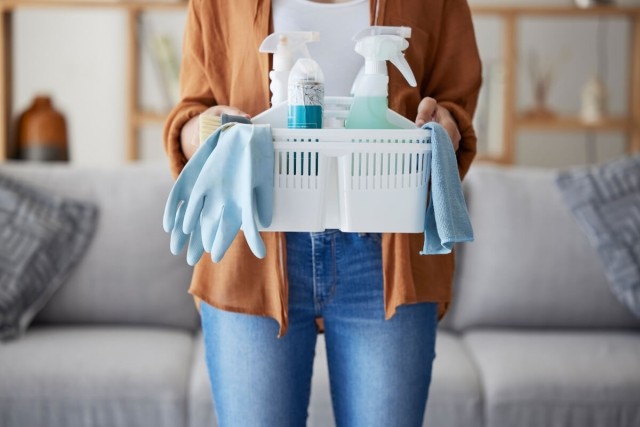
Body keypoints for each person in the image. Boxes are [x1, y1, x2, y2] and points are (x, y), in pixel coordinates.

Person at [163, 0, 481, 425]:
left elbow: (456, 103)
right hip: (253, 251)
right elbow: (191, 109)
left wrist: (444, 125)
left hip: (388, 253)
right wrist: (209, 131)